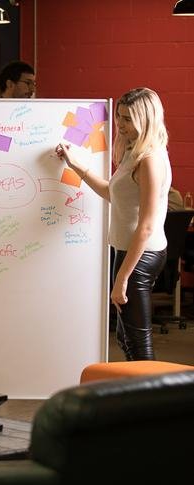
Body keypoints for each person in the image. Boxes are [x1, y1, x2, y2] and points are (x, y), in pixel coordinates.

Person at [55, 87, 170, 360]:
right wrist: (75, 165)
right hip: (129, 253)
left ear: (146, 120)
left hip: (140, 256)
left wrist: (122, 278)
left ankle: (150, 401)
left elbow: (147, 226)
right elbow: (111, 193)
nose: (120, 123)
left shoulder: (150, 160)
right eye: (119, 116)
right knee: (125, 338)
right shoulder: (134, 152)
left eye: (129, 118)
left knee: (138, 344)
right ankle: (137, 398)